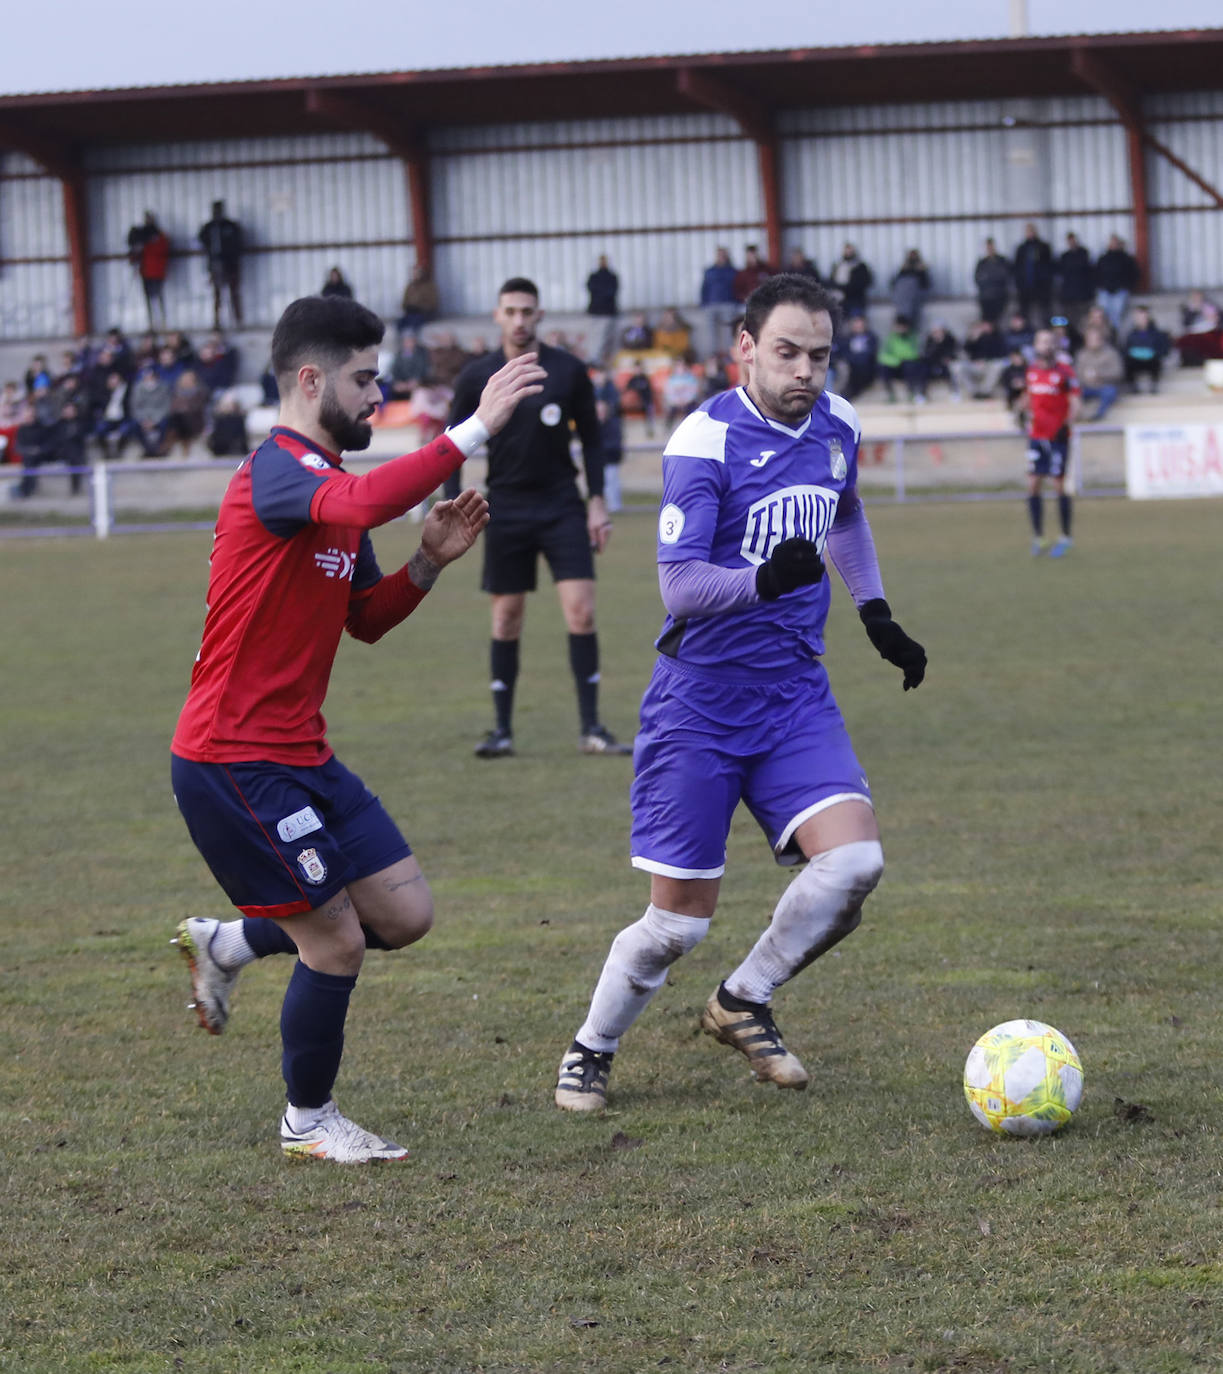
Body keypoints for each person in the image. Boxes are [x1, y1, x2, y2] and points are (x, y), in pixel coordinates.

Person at [169, 294, 544, 1164]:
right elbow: (370, 501)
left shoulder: (328, 487)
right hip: (233, 760)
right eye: (364, 379)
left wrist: (425, 563)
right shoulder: (279, 472)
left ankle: (226, 942)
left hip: (302, 754)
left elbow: (364, 619)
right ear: (311, 379)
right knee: (335, 940)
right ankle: (307, 1122)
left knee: (404, 914)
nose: (379, 395)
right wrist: (470, 430)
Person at [553, 273, 926, 1113]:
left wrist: (874, 612)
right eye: (787, 352)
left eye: (819, 356)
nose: (805, 371)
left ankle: (741, 1000)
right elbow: (679, 586)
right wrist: (763, 579)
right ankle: (591, 1047)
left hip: (794, 694)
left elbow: (845, 512)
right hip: (700, 703)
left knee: (854, 863)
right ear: (746, 350)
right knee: (676, 926)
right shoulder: (702, 441)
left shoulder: (838, 426)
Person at [448, 276, 631, 759]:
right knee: (506, 618)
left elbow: (591, 439)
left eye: (527, 311)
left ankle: (592, 727)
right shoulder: (477, 376)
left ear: (540, 315)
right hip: (504, 507)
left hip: (561, 505)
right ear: (497, 316)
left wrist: (596, 500)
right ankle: (502, 730)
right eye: (510, 311)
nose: (519, 320)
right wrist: (451, 502)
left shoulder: (568, 371)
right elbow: (451, 441)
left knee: (582, 611)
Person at [1021, 327, 1080, 558]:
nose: (1045, 346)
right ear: (1035, 346)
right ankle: (1039, 537)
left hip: (1058, 437)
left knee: (1057, 485)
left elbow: (1075, 401)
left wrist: (1068, 423)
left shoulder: (1065, 372)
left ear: (1054, 346)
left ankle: (1066, 536)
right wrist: (1019, 410)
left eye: (1049, 342)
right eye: (1041, 342)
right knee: (1033, 484)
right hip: (1037, 436)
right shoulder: (1031, 371)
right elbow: (1029, 397)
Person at [198, 200, 244, 329]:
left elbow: (238, 242)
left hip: (230, 264)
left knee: (233, 292)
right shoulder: (209, 227)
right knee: (217, 294)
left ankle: (238, 321)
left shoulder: (230, 226)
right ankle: (217, 321)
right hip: (215, 263)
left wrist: (231, 256)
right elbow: (201, 240)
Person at [127, 211, 171, 331]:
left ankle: (162, 322)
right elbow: (134, 251)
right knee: (148, 297)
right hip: (146, 271)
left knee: (158, 295)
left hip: (157, 271)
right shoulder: (141, 235)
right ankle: (151, 322)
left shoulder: (159, 235)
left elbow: (163, 249)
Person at [590, 362, 624, 513]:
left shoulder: (611, 392)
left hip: (610, 448)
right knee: (600, 479)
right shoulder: (593, 391)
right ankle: (603, 505)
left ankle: (615, 505)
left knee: (612, 477)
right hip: (600, 447)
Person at [1074, 324, 1124, 422]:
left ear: (1101, 340)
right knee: (1072, 393)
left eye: (1095, 339)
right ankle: (1077, 416)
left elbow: (1118, 372)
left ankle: (1098, 415)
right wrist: (1085, 378)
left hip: (1104, 386)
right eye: (1089, 339)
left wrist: (1099, 375)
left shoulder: (1111, 353)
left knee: (1110, 392)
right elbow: (1076, 374)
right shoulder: (1081, 355)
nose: (1092, 342)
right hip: (1086, 387)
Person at [1094, 235, 1140, 336]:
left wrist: (1127, 286)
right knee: (1102, 315)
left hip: (1120, 291)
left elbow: (1134, 273)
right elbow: (1096, 273)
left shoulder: (1126, 258)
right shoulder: (1103, 258)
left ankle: (1114, 336)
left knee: (1116, 317)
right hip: (1105, 291)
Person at [699, 246, 738, 356]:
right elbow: (704, 287)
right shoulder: (710, 271)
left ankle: (730, 353)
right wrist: (703, 303)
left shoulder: (732, 271)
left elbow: (737, 287)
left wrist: (736, 302)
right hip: (711, 304)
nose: (721, 257)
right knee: (710, 332)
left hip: (728, 303)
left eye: (723, 255)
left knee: (728, 331)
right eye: (719, 255)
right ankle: (713, 354)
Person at [1122, 306, 1171, 393]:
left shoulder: (1157, 333)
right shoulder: (1131, 334)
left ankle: (1154, 385)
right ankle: (1133, 387)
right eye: (1138, 317)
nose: (1141, 320)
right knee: (1127, 362)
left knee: (1156, 361)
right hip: (1135, 361)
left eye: (1143, 317)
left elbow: (1163, 349)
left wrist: (1154, 353)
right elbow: (1126, 350)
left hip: (1151, 361)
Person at [878, 316, 926, 403]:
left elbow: (915, 354)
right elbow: (883, 355)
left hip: (907, 366)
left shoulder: (912, 337)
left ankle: (911, 392)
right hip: (894, 365)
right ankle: (890, 394)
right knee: (883, 368)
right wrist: (896, 360)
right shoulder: (891, 338)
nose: (900, 329)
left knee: (910, 365)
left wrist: (901, 359)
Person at [1013, 223, 1053, 328]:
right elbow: (1017, 267)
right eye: (1028, 231)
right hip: (1025, 287)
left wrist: (1046, 282)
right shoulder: (1021, 248)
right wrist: (1019, 284)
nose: (1030, 233)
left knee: (1045, 312)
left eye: (1031, 231)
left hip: (1041, 287)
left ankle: (1046, 330)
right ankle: (1026, 332)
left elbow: (1049, 266)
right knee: (1025, 313)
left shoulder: (1044, 247)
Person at [1055, 233, 1094, 331]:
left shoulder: (1084, 253)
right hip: (1068, 295)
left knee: (1084, 320)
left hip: (1083, 294)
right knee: (1068, 319)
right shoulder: (1065, 256)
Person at [585, 255, 620, 363]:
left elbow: (612, 291)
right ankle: (594, 360)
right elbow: (590, 289)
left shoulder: (612, 277)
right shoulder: (594, 276)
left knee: (606, 339)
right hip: (596, 312)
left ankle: (603, 361)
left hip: (607, 313)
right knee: (595, 338)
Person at [890, 249, 931, 333]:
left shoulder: (922, 270)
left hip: (915, 299)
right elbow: (894, 283)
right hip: (903, 300)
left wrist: (921, 270)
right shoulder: (903, 270)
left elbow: (926, 285)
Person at [829, 242, 873, 318]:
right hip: (840, 301)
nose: (848, 253)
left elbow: (864, 282)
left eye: (850, 251)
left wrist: (844, 287)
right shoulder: (838, 265)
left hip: (856, 301)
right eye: (846, 251)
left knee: (857, 323)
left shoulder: (860, 266)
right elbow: (832, 281)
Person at [973, 238, 1011, 325]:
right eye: (988, 247)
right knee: (987, 322)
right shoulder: (982, 262)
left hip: (999, 296)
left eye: (991, 246)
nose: (990, 249)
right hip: (985, 298)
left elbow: (1005, 276)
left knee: (999, 321)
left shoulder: (1002, 261)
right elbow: (977, 278)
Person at [398, 262, 439, 336]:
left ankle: (413, 345)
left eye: (417, 273)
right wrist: (407, 307)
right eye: (413, 273)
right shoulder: (410, 286)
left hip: (423, 314)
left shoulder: (429, 286)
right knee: (399, 323)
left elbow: (433, 303)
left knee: (414, 325)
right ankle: (403, 345)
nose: (415, 275)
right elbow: (404, 302)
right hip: (410, 313)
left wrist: (419, 307)